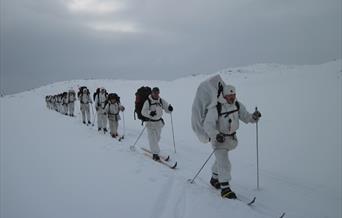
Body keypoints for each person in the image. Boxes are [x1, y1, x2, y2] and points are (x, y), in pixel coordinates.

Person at [203, 85, 261, 199]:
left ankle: (214, 178)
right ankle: (225, 188)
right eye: (230, 95)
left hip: (231, 139)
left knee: (220, 160)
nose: (232, 97)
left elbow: (246, 117)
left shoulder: (237, 105)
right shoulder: (216, 108)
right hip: (219, 140)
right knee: (225, 163)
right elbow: (208, 125)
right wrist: (216, 135)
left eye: (234, 94)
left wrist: (254, 117)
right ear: (224, 95)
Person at [141, 87, 173, 161]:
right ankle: (155, 154)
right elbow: (143, 112)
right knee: (153, 139)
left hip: (159, 123)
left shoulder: (161, 101)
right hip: (150, 123)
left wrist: (170, 109)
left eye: (157, 93)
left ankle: (154, 149)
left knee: (157, 138)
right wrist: (150, 113)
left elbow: (167, 109)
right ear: (152, 93)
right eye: (154, 93)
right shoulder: (148, 101)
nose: (156, 94)